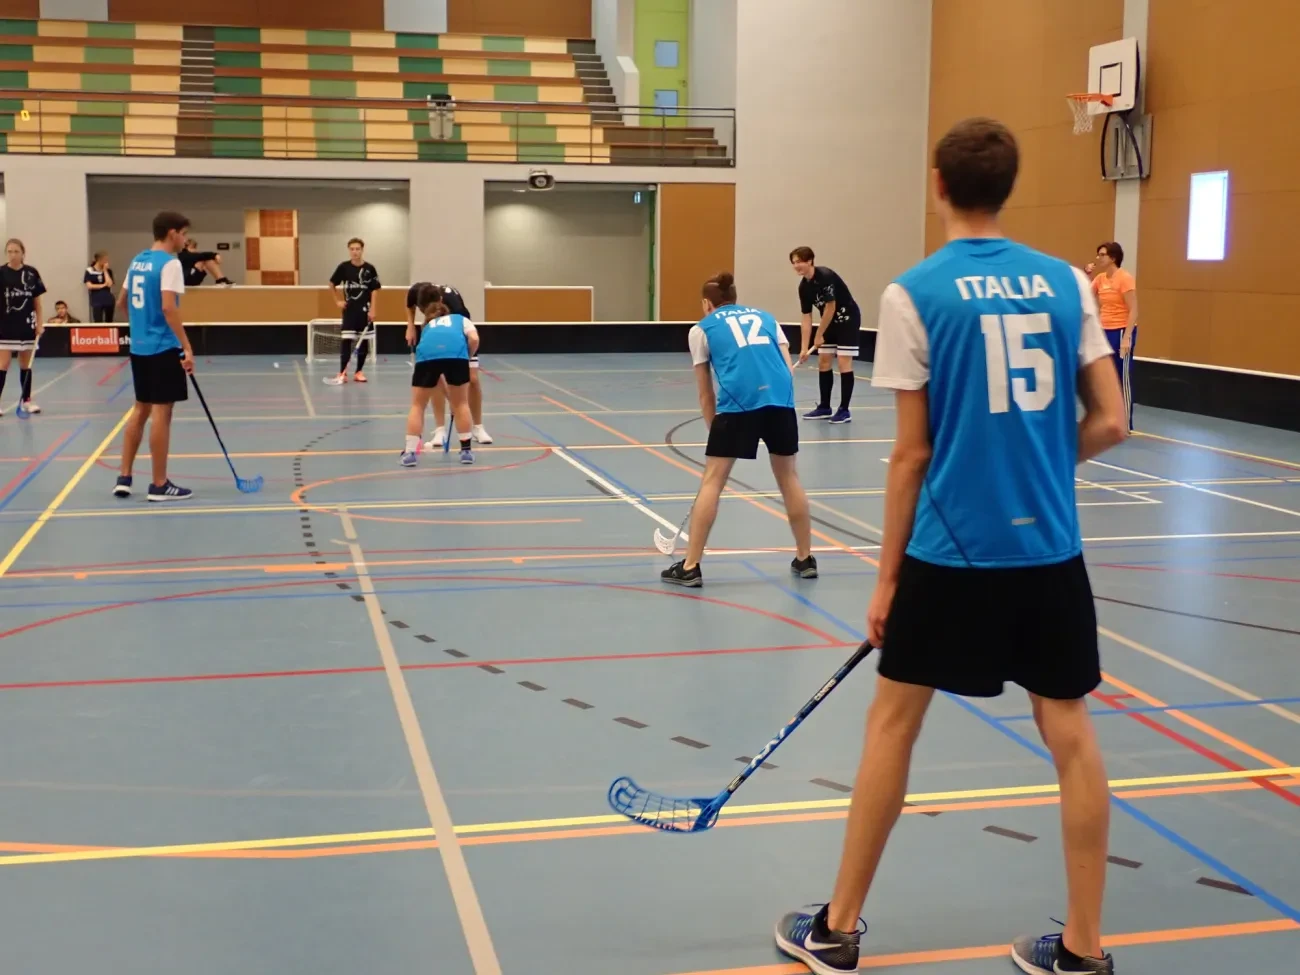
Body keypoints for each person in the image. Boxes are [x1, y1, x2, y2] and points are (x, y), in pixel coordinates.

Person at [773, 118, 1127, 975]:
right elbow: (1112, 419)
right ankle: (1083, 949)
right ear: (1008, 186)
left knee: (892, 724)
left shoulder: (914, 293)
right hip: (1049, 552)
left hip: (949, 555)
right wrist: (1038, 468)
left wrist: (887, 579)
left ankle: (837, 929)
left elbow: (911, 455)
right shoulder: (1068, 283)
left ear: (938, 184)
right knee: (1071, 732)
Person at [660, 272, 816, 587]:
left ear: (707, 304)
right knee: (789, 477)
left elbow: (705, 392)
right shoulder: (768, 318)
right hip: (781, 401)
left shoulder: (701, 329)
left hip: (738, 406)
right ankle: (805, 558)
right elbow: (786, 369)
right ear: (734, 298)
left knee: (713, 480)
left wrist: (714, 428)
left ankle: (690, 566)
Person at [113, 211, 196, 502]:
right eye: (184, 234)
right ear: (172, 233)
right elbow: (168, 308)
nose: (185, 240)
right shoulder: (170, 264)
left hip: (139, 348)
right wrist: (186, 346)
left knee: (140, 409)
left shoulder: (137, 260)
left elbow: (121, 302)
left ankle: (124, 477)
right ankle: (159, 484)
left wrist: (140, 328)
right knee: (162, 412)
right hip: (163, 347)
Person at [405, 280, 492, 445]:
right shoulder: (416, 291)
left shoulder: (454, 308)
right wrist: (410, 326)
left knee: (472, 379)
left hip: (460, 335)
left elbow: (470, 336)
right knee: (435, 379)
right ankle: (440, 430)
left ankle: (478, 427)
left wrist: (464, 359)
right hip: (435, 336)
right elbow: (409, 305)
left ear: (439, 302)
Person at [790, 246, 861, 423]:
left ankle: (844, 410)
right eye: (794, 263)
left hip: (847, 319)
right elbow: (806, 317)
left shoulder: (825, 276)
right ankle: (824, 407)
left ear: (810, 261)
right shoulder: (803, 287)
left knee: (843, 361)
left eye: (799, 262)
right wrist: (804, 347)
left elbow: (831, 307)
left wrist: (819, 334)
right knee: (823, 361)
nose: (796, 266)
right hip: (828, 322)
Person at [1085, 243, 1137, 431]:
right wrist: (1087, 275)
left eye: (1102, 255)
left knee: (1122, 376)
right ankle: (1106, 418)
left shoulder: (1125, 278)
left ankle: (1126, 423)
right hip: (1104, 330)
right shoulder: (1100, 279)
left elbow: (1134, 310)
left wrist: (1127, 338)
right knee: (1105, 375)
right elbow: (1085, 295)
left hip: (1121, 330)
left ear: (1113, 258)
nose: (1098, 258)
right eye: (1098, 255)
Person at [0, 238, 46, 417]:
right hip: (5, 325)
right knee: (3, 364)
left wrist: (39, 324)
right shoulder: (1, 273)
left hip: (26, 325)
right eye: (9, 251)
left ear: (23, 253)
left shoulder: (31, 273)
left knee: (25, 364)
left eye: (16, 251)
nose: (12, 255)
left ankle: (26, 401)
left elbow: (37, 303)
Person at [329, 238, 381, 383]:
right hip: (349, 310)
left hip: (365, 310)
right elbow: (332, 284)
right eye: (352, 249)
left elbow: (375, 290)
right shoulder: (344, 267)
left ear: (362, 250)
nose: (355, 252)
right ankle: (342, 372)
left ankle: (359, 372)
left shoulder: (370, 268)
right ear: (349, 250)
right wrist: (337, 301)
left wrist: (373, 309)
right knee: (346, 340)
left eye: (357, 249)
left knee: (363, 341)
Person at [85, 251, 117, 322]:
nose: (106, 262)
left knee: (109, 321)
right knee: (98, 320)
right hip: (97, 300)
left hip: (108, 299)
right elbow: (89, 286)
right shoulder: (89, 270)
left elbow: (109, 284)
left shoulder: (108, 271)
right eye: (105, 260)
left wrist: (105, 271)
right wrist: (103, 285)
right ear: (99, 260)